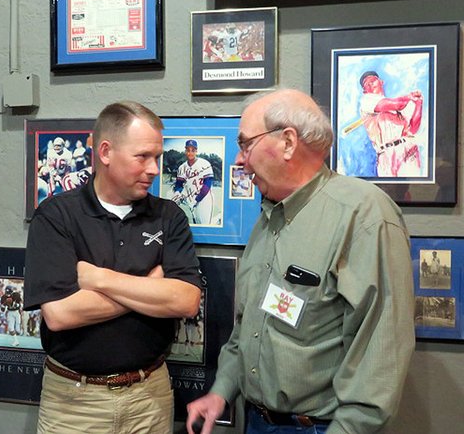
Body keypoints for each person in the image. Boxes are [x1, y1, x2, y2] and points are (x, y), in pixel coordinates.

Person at [186, 89, 415, 434]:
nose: (238, 160)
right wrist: (222, 390)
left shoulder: (364, 215)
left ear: (288, 142)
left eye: (245, 144)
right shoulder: (269, 216)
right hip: (257, 420)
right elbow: (250, 325)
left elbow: (380, 356)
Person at [24, 101, 202, 434]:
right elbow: (61, 315)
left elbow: (186, 301)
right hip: (74, 404)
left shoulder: (169, 217)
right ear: (106, 152)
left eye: (157, 158)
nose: (153, 169)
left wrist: (100, 279)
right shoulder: (56, 216)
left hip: (149, 397)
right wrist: (151, 286)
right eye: (142, 156)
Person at [357, 70, 423, 177]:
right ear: (364, 91)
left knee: (415, 188)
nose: (370, 84)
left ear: (381, 82)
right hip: (387, 153)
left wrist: (419, 104)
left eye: (373, 80)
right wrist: (409, 97)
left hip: (408, 148)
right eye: (366, 84)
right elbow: (397, 104)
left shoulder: (397, 102)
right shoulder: (366, 101)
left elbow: (413, 128)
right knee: (391, 191)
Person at [171, 139, 215, 225]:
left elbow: (207, 184)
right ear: (185, 151)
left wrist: (197, 199)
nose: (190, 152)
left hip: (205, 198)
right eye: (188, 150)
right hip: (190, 198)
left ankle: (217, 220)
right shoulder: (182, 168)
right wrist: (177, 193)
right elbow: (179, 185)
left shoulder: (205, 164)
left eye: (193, 150)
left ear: (196, 151)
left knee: (206, 224)